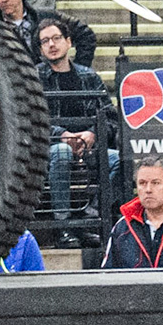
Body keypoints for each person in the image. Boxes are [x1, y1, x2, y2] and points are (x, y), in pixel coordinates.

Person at [37, 17, 114, 240]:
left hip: (88, 146)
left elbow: (111, 116)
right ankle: (64, 226)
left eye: (56, 38)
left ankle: (91, 217)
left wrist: (92, 134)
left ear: (69, 42)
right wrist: (61, 135)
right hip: (49, 149)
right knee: (62, 152)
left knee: (118, 160)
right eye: (45, 41)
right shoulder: (34, 78)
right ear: (41, 49)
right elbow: (31, 120)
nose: (52, 44)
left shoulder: (89, 76)